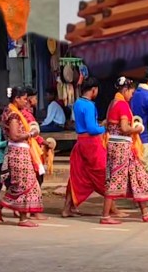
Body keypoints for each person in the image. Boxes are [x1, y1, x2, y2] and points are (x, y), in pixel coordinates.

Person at [102, 76, 148, 224]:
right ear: (125, 89)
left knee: (137, 177)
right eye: (131, 93)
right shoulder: (122, 105)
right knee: (115, 180)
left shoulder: (112, 103)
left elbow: (107, 124)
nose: (132, 96)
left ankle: (145, 212)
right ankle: (105, 216)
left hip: (117, 145)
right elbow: (125, 128)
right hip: (121, 147)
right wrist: (137, 129)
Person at [0, 87, 45, 227]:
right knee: (25, 185)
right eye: (23, 99)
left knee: (21, 184)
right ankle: (22, 218)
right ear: (16, 99)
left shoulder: (10, 111)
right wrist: (31, 134)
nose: (26, 102)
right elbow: (15, 136)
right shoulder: (14, 115)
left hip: (19, 151)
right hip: (18, 152)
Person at [63, 79, 107, 217]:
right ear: (94, 89)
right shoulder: (89, 105)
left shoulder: (77, 103)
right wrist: (104, 127)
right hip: (91, 143)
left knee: (76, 176)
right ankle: (111, 208)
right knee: (104, 173)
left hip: (80, 141)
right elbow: (92, 128)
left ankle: (67, 207)